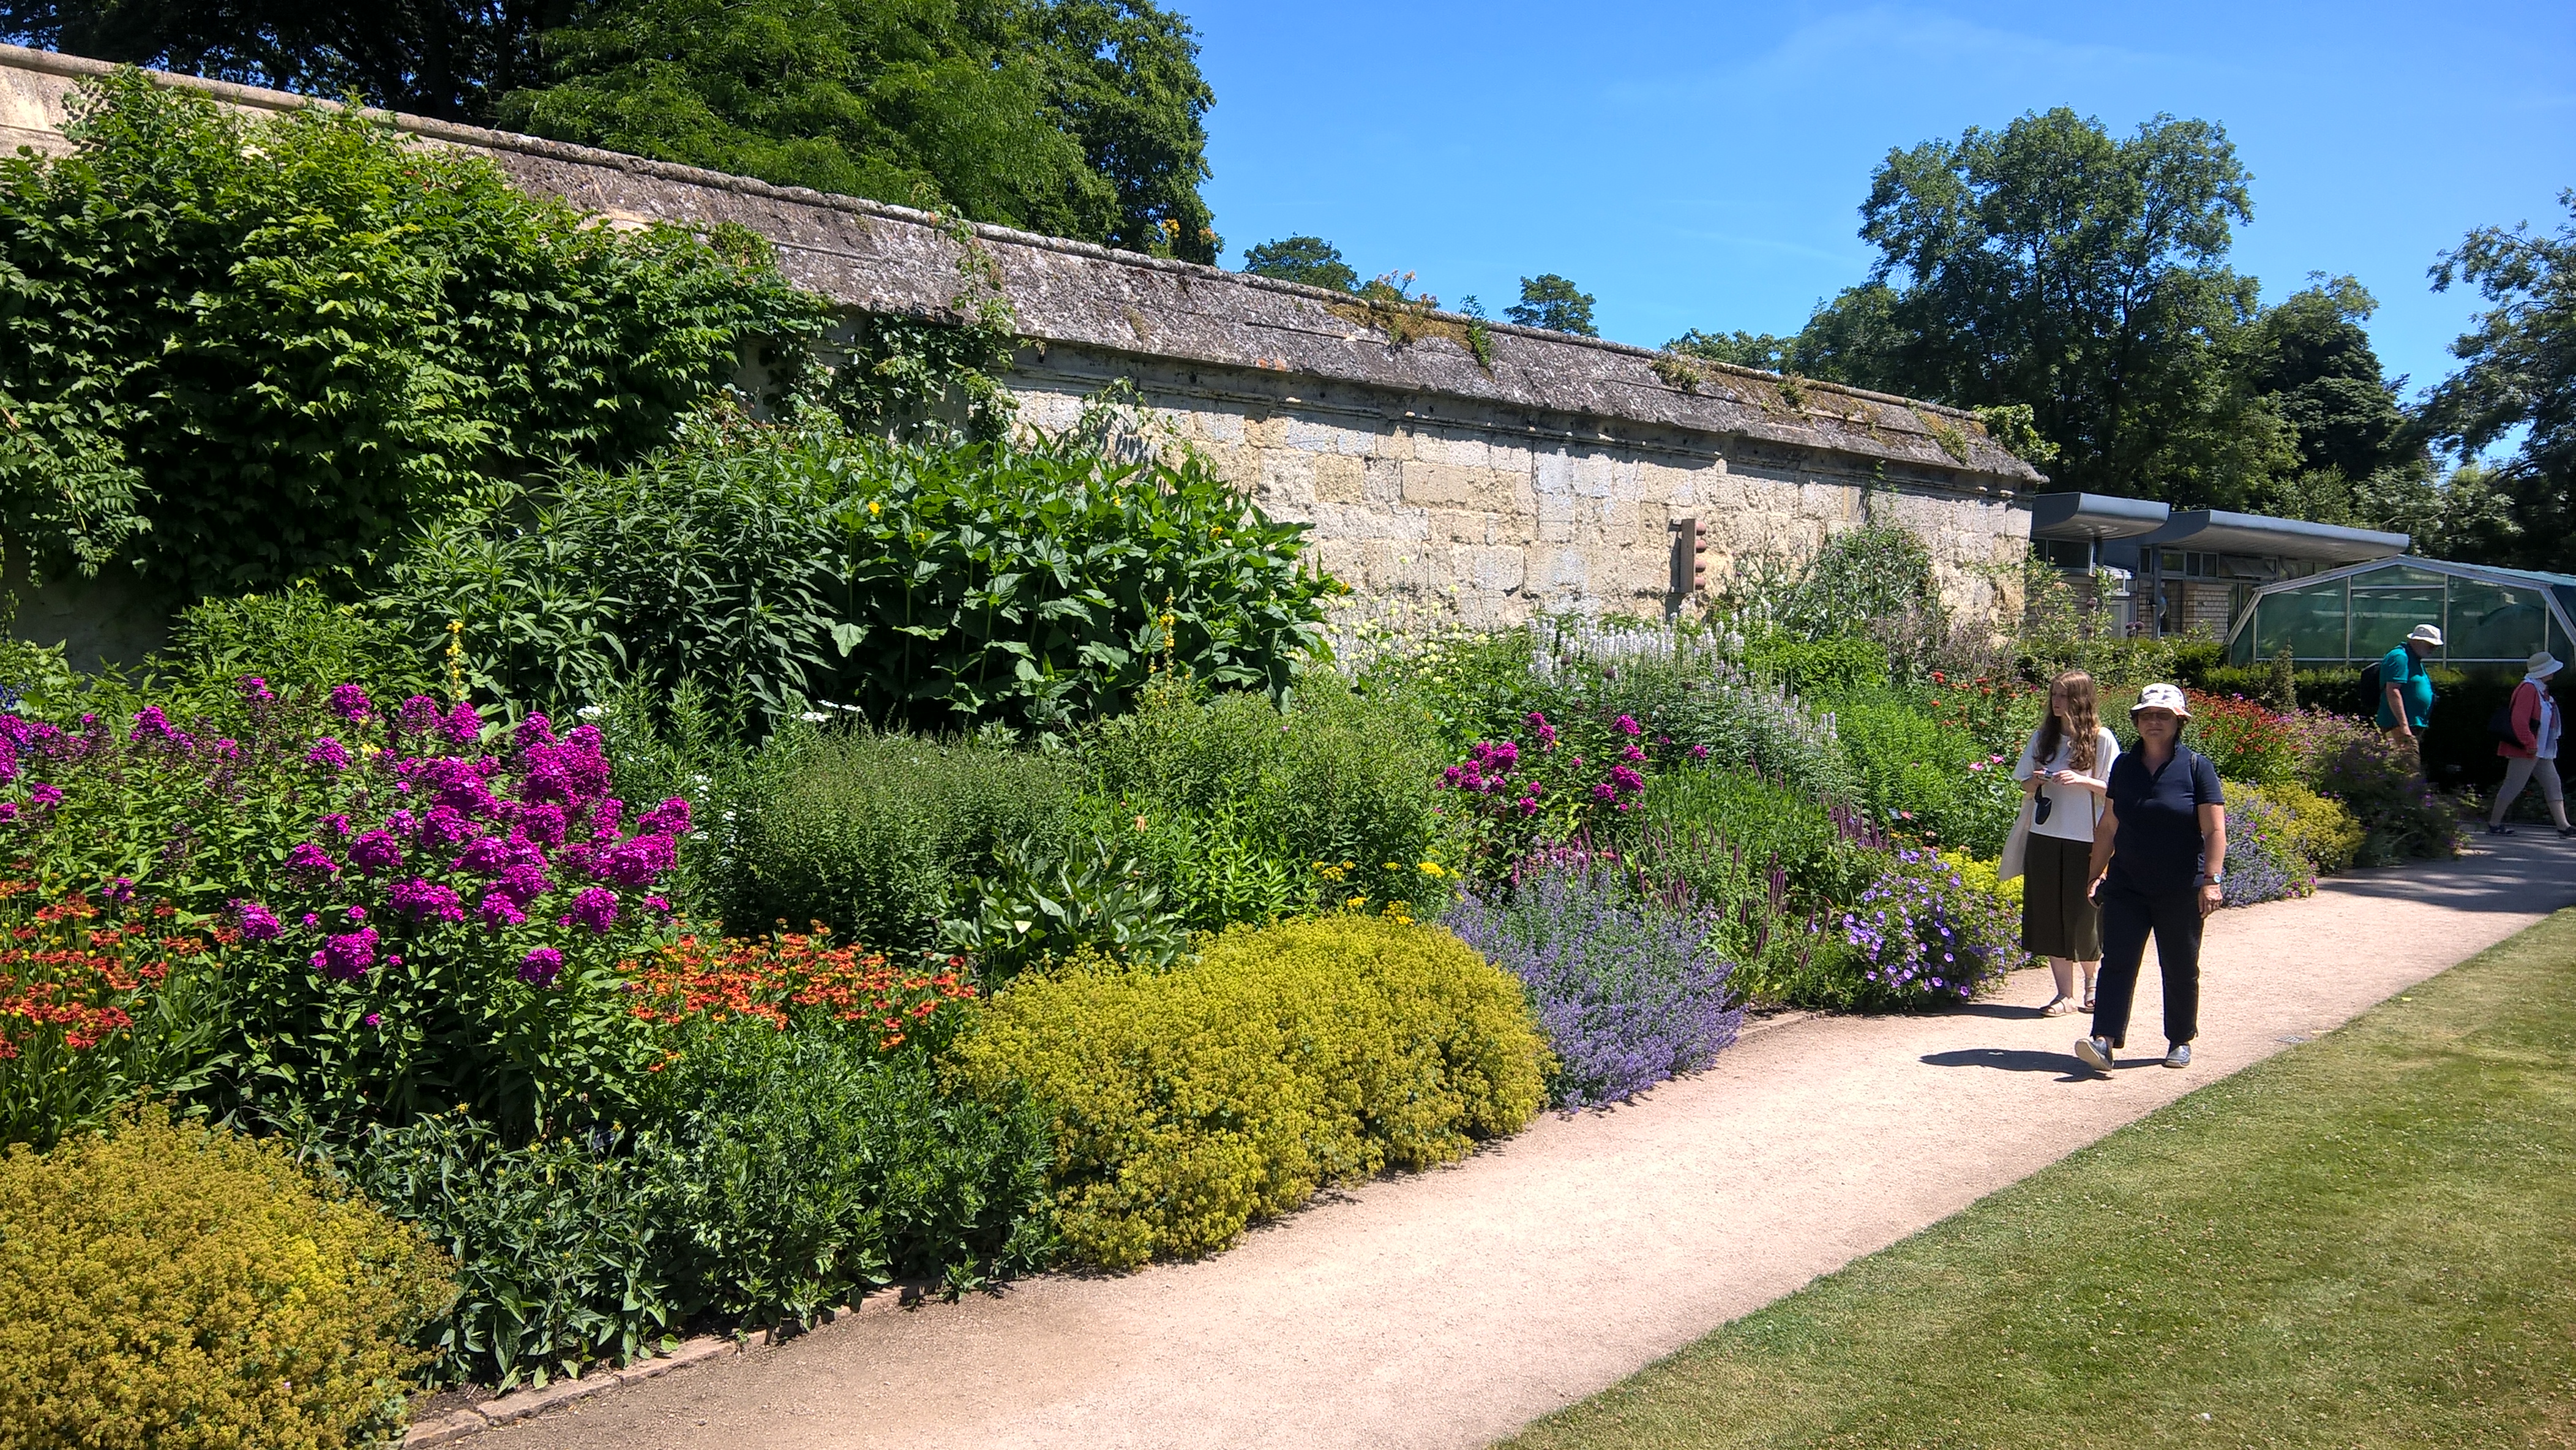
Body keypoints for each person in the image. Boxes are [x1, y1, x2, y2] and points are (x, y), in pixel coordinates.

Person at [2075, 683, 2226, 1075]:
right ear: (2137, 722)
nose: (2153, 722)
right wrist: (2096, 875)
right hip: (2127, 885)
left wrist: (2212, 879)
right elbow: (2108, 825)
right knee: (2118, 962)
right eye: (2146, 716)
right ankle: (2103, 1040)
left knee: (2179, 965)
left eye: (2162, 716)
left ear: (2179, 722)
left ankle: (2180, 1040)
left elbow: (2213, 831)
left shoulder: (2197, 767)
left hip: (2180, 887)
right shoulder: (2124, 766)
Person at [2012, 671, 2121, 1015]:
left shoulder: (2102, 740)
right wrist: (2037, 779)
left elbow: (2115, 790)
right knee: (2048, 914)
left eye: (2064, 696)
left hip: (2086, 837)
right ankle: (2064, 994)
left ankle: (2093, 984)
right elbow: (2024, 785)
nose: (2057, 703)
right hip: (2045, 835)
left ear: (2082, 700)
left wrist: (2081, 780)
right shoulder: (2043, 738)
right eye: (2054, 695)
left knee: (2083, 913)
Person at [2487, 650, 2572, 838]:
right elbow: (2519, 720)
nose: (2554, 673)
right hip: (2528, 749)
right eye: (2551, 669)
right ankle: (2494, 823)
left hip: (2540, 749)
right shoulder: (2529, 689)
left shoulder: (2539, 689)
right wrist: (2529, 743)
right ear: (2543, 671)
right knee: (2513, 785)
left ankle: (2563, 826)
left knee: (2553, 784)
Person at [2377, 623, 2444, 751]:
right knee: (2408, 767)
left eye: (2435, 646)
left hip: (2408, 726)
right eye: (2431, 645)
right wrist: (2404, 726)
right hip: (2397, 727)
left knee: (2401, 767)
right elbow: (2393, 691)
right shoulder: (2400, 657)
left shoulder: (2413, 658)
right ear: (2417, 641)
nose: (2433, 648)